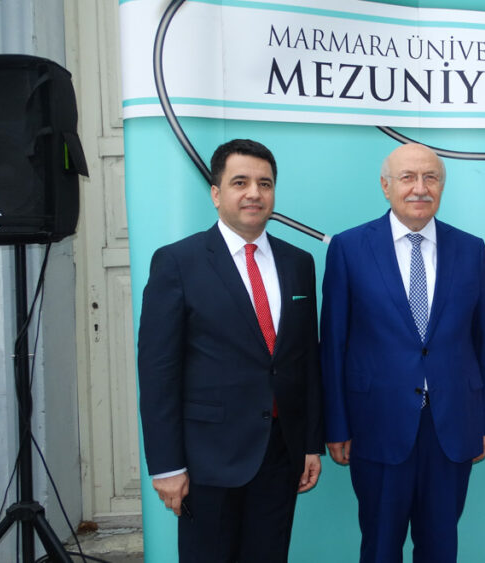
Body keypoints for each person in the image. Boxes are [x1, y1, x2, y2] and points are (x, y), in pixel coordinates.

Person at [138, 139, 323, 562]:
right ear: (216, 193)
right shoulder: (178, 262)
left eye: (264, 183)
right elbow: (158, 372)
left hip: (281, 454)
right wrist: (167, 466)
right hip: (208, 459)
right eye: (240, 182)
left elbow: (305, 360)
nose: (254, 193)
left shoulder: (299, 263)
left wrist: (310, 443)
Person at [321, 143, 485, 563]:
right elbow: (333, 342)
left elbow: (484, 341)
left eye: (430, 177)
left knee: (440, 548)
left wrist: (483, 420)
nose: (420, 188)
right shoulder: (349, 247)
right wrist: (336, 424)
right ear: (386, 186)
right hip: (376, 424)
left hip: (451, 426)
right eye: (407, 177)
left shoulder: (470, 249)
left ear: (442, 186)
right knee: (380, 547)